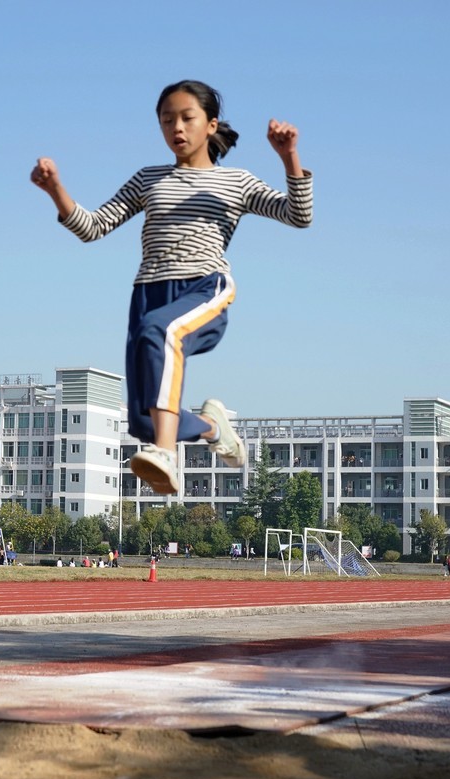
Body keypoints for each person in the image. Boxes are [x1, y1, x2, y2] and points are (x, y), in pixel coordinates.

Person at [32, 79, 312, 494]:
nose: (176, 128)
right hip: (148, 294)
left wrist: (288, 157)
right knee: (145, 421)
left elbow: (298, 214)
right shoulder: (148, 179)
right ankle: (214, 428)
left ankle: (166, 453)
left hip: (204, 288)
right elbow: (93, 227)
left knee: (160, 333)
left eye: (186, 118)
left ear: (211, 125)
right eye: (166, 121)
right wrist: (55, 190)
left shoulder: (236, 182)